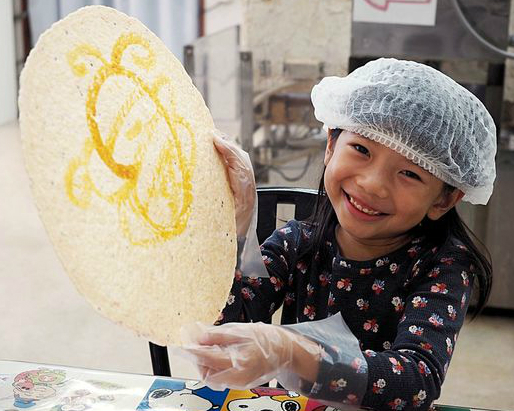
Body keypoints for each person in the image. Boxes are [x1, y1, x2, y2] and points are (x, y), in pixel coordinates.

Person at [180, 58, 496, 411]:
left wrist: (291, 351)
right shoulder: (296, 243)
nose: (372, 185)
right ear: (331, 144)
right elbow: (227, 325)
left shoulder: (443, 267)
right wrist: (235, 226)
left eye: (410, 173)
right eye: (361, 149)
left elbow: (416, 380)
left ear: (444, 198)